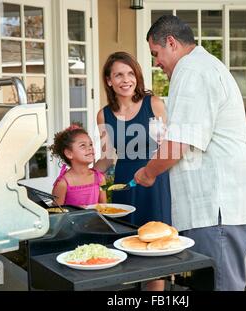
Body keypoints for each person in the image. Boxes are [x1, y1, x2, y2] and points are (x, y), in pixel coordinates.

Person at [134, 15, 246, 291]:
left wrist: (147, 173)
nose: (156, 62)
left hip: (218, 209)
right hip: (220, 210)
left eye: (156, 54)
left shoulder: (192, 70)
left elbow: (178, 144)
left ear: (171, 42)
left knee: (220, 287)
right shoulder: (202, 67)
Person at [96, 51, 171, 291]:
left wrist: (151, 172)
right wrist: (83, 176)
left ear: (137, 77)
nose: (125, 80)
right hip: (124, 187)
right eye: (118, 75)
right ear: (109, 80)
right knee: (127, 248)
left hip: (154, 183)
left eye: (130, 73)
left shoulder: (153, 104)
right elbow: (107, 158)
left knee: (154, 251)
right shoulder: (104, 114)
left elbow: (168, 149)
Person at [50, 123, 107, 206]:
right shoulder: (62, 184)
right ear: (69, 153)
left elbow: (105, 207)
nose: (90, 148)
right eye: (83, 145)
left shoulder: (100, 178)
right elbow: (56, 214)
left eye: (91, 144)